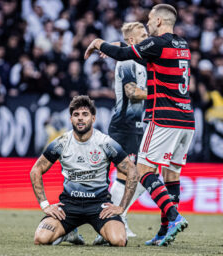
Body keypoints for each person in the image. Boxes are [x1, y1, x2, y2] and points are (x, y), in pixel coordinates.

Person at [85, 4, 195, 246]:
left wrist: (98, 43)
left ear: (158, 21)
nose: (147, 23)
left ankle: (174, 218)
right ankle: (164, 232)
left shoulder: (158, 43)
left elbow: (127, 55)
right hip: (187, 120)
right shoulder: (183, 46)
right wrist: (117, 50)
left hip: (164, 118)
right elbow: (146, 60)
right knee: (171, 175)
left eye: (149, 19)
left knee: (143, 171)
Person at [30, 95, 139, 246]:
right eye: (76, 115)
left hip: (99, 206)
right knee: (40, 239)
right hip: (69, 206)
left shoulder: (105, 142)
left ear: (93, 118)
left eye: (85, 114)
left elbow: (132, 171)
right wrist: (45, 205)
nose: (80, 118)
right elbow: (36, 170)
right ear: (71, 119)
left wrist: (121, 207)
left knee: (119, 240)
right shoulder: (61, 142)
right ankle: (69, 232)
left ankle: (103, 234)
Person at [93, 22, 148, 245]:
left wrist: (112, 45)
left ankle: (118, 216)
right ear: (132, 41)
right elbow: (132, 92)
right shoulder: (127, 61)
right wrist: (158, 93)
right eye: (143, 35)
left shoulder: (140, 58)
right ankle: (115, 219)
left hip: (134, 126)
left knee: (141, 176)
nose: (148, 37)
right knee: (130, 175)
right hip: (124, 125)